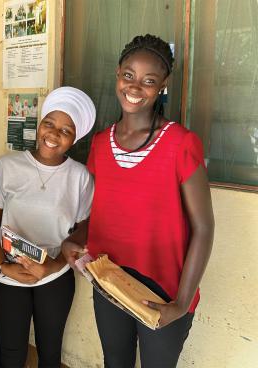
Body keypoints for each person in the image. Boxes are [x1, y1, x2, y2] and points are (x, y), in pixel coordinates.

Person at [62, 34, 215, 368]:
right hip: (109, 280)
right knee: (115, 362)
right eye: (129, 75)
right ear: (118, 74)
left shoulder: (180, 143)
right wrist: (75, 239)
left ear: (162, 86)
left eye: (149, 80)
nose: (135, 87)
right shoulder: (101, 144)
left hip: (163, 292)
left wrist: (181, 303)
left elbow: (204, 228)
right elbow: (100, 213)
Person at [0, 86, 96, 367]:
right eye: (49, 123)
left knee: (50, 352)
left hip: (55, 275)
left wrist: (53, 265)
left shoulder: (80, 177)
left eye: (66, 130)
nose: (54, 134)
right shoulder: (7, 166)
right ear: (40, 123)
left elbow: (83, 226)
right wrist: (2, 264)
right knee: (10, 352)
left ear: (75, 138)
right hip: (9, 273)